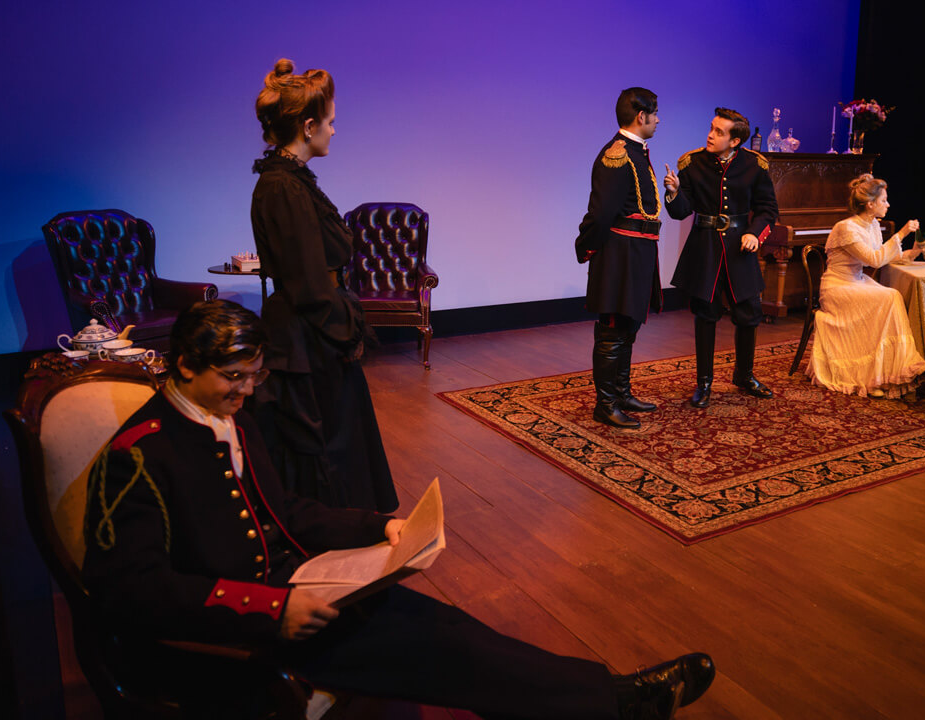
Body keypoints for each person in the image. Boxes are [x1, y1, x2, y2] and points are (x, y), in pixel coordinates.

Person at [82, 300, 716, 720]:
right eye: (235, 377)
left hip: (295, 588)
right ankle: (620, 703)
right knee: (447, 654)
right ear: (186, 364)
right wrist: (273, 609)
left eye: (255, 376)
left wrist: (379, 528)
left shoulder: (224, 418)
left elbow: (285, 514)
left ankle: (605, 696)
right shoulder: (137, 454)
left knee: (452, 628)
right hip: (238, 632)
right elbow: (130, 591)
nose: (248, 392)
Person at [250, 58, 396, 512]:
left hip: (312, 328)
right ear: (309, 126)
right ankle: (330, 535)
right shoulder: (283, 188)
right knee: (323, 442)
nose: (334, 131)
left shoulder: (292, 181)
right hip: (307, 336)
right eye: (330, 123)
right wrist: (342, 331)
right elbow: (307, 282)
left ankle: (348, 526)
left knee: (339, 435)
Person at [663, 108, 779, 407]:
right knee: (706, 314)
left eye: (718, 132)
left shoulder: (755, 165)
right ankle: (704, 383)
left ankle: (744, 375)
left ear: (735, 141)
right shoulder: (692, 163)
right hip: (705, 248)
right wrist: (675, 192)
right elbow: (680, 212)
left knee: (749, 314)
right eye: (711, 128)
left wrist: (755, 233)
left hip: (740, 250)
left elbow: (768, 209)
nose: (710, 135)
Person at [575, 87, 665, 429]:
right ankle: (606, 403)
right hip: (618, 255)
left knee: (629, 326)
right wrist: (587, 247)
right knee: (612, 330)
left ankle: (622, 392)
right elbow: (601, 214)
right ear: (641, 116)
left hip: (638, 253)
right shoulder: (616, 154)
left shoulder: (636, 150)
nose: (658, 119)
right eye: (654, 113)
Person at [806, 173, 925, 398]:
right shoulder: (847, 228)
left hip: (857, 281)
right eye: (884, 200)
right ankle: (869, 376)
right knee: (889, 297)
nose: (888, 204)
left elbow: (882, 256)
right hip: (838, 287)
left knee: (892, 296)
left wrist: (913, 252)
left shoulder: (873, 224)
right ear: (870, 204)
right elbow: (873, 260)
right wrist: (902, 233)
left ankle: (885, 373)